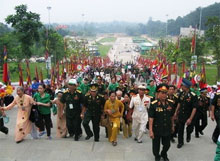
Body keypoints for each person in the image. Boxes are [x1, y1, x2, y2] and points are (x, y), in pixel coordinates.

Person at [149, 84, 175, 161]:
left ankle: (164, 154)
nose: (164, 95)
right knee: (156, 145)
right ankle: (157, 156)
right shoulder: (153, 104)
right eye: (162, 93)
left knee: (167, 145)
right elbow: (151, 118)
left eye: (165, 93)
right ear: (158, 93)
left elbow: (172, 116)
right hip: (157, 128)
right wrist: (150, 130)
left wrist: (173, 126)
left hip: (167, 127)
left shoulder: (170, 103)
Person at [174, 78, 198, 149]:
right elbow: (179, 103)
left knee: (190, 128)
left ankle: (188, 134)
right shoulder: (181, 94)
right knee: (180, 129)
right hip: (182, 114)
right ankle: (180, 142)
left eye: (182, 86)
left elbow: (194, 108)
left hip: (190, 114)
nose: (181, 87)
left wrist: (190, 119)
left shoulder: (193, 95)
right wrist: (176, 112)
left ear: (186, 87)